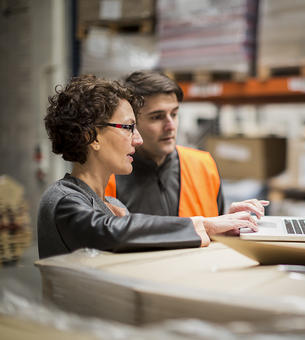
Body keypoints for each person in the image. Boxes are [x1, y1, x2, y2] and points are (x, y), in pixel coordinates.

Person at [37, 75, 265, 259]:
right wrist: (202, 224)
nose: (137, 139)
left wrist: (221, 224)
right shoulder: (63, 200)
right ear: (91, 137)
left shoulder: (113, 205)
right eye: (128, 127)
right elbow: (110, 232)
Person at [105, 71, 268, 218]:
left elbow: (214, 233)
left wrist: (229, 221)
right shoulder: (109, 178)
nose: (171, 125)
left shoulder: (202, 165)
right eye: (157, 117)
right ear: (132, 123)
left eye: (174, 114)